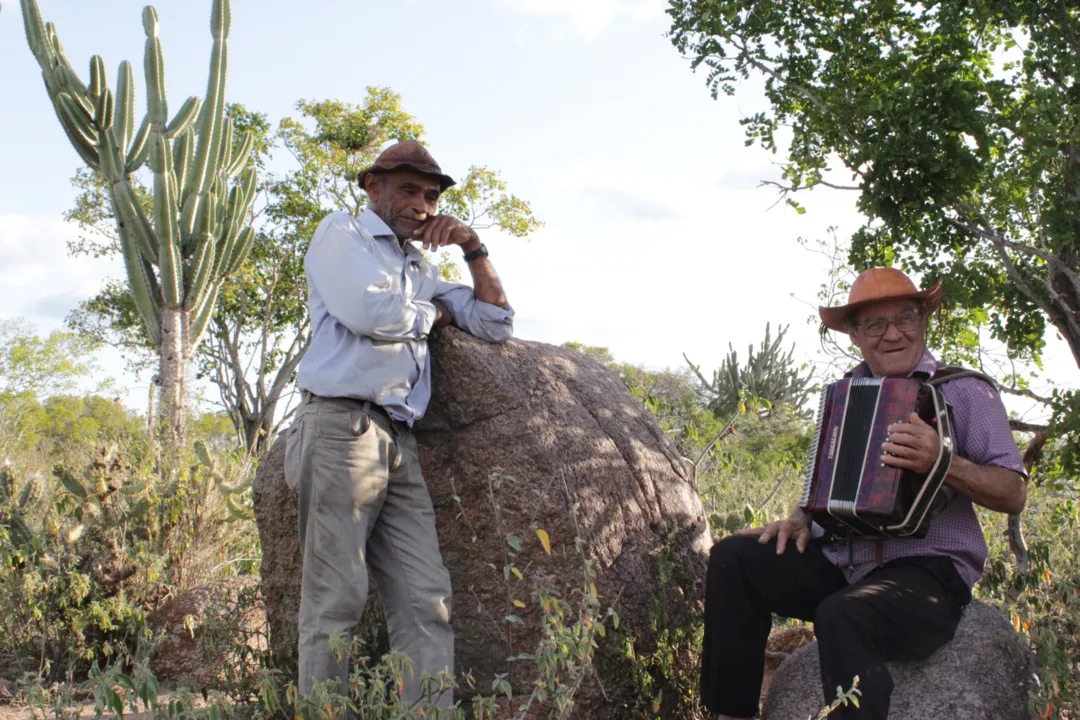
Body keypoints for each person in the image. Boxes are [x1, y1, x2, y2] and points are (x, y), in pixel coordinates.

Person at [699, 267, 1027, 720]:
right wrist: (800, 518)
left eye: (905, 319)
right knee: (733, 559)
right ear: (855, 335)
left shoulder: (966, 392)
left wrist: (944, 461)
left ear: (923, 322)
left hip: (928, 574)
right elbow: (832, 483)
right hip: (844, 563)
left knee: (843, 615)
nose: (893, 334)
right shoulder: (844, 395)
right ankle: (731, 714)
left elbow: (1013, 493)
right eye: (875, 324)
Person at [285, 140, 514, 709]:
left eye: (431, 196)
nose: (421, 204)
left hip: (398, 438)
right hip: (341, 428)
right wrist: (432, 312)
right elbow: (372, 314)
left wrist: (473, 245)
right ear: (373, 186)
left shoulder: (421, 267)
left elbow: (495, 321)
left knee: (425, 598)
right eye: (408, 189)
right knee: (336, 599)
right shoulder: (343, 235)